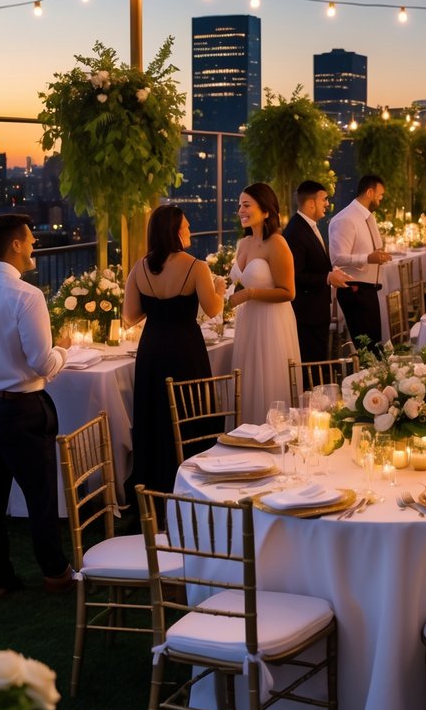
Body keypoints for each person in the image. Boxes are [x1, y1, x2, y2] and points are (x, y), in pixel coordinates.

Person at [0, 213, 72, 599]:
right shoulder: (27, 295)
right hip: (20, 410)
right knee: (40, 495)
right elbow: (42, 364)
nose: (34, 245)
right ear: (15, 245)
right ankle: (54, 573)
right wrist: (65, 348)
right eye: (30, 240)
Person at [124, 205, 226, 491]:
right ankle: (195, 481)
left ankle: (154, 481)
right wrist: (218, 287)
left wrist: (157, 305)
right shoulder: (196, 266)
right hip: (185, 349)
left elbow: (130, 315)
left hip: (152, 349)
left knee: (155, 413)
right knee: (189, 409)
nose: (190, 230)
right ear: (175, 231)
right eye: (187, 226)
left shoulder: (139, 267)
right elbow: (213, 309)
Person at [229, 183, 298, 421]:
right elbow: (236, 283)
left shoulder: (277, 243)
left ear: (266, 211)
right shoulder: (244, 243)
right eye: (239, 205)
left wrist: (249, 294)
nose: (240, 210)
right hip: (247, 322)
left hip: (272, 323)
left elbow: (288, 292)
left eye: (246, 205)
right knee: (247, 382)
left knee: (268, 382)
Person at [283, 180, 350, 362]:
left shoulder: (309, 226)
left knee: (319, 359)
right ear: (311, 203)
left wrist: (331, 271)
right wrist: (327, 278)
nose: (327, 204)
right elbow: (295, 275)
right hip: (306, 314)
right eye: (324, 199)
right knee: (312, 364)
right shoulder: (295, 231)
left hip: (316, 310)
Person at [328, 175, 391, 352]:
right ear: (369, 192)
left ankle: (375, 377)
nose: (381, 198)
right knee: (367, 347)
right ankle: (365, 379)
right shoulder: (345, 219)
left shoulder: (367, 217)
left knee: (374, 343)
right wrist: (367, 258)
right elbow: (337, 258)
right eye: (380, 194)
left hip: (369, 289)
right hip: (355, 290)